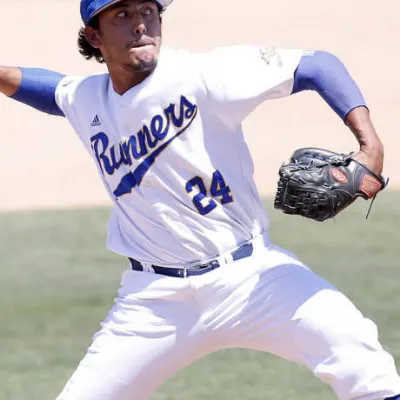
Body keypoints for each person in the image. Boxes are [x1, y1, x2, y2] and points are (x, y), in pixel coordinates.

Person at [1, 0, 399, 399]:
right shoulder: (87, 98)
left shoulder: (202, 75)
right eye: (122, 15)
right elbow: (50, 90)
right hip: (154, 302)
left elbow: (317, 64)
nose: (140, 24)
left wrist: (370, 145)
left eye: (148, 11)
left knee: (363, 362)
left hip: (253, 278)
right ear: (94, 36)